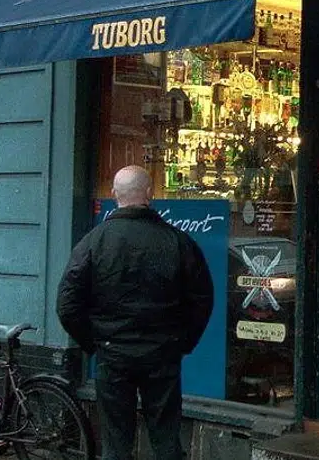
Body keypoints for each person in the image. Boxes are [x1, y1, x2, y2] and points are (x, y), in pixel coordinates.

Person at [57, 165, 214, 460]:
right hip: (162, 352)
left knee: (116, 443)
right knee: (166, 439)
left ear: (114, 194)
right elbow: (202, 299)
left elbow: (67, 304)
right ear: (150, 194)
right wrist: (182, 342)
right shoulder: (177, 241)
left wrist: (94, 342)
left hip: (113, 352)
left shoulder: (94, 242)